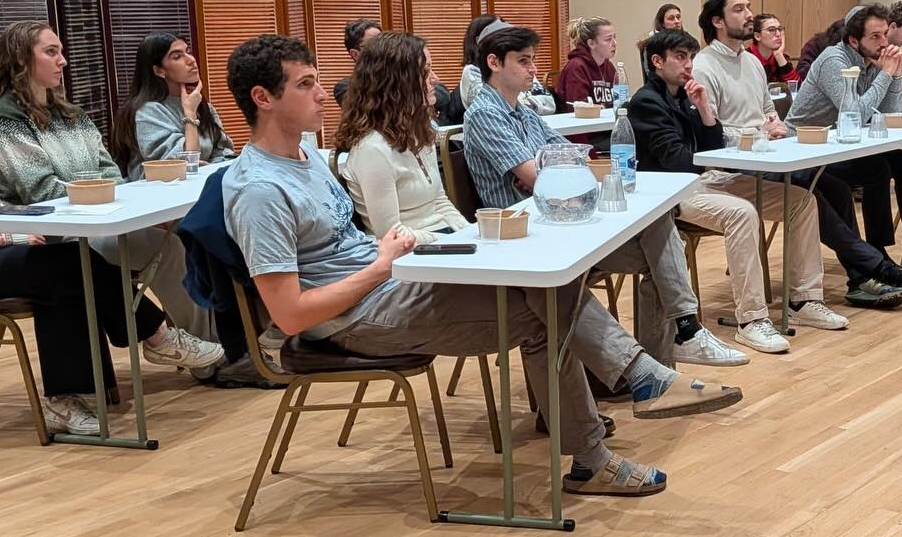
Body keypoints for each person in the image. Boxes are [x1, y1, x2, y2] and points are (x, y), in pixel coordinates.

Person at [223, 37, 737, 499]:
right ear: (263, 99)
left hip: (390, 284)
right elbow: (290, 317)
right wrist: (382, 266)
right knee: (546, 309)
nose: (321, 94)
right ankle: (623, 408)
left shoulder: (306, 159)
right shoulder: (260, 189)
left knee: (545, 285)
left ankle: (612, 426)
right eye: (305, 84)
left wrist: (394, 262)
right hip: (355, 318)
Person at [465, 24, 746, 367]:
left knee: (658, 231)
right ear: (494, 63)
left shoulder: (522, 111)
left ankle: (679, 341)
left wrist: (551, 170)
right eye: (524, 61)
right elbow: (537, 179)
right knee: (660, 255)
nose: (534, 69)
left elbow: (573, 157)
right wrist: (549, 171)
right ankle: (674, 347)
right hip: (525, 235)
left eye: (533, 60)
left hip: (561, 219)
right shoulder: (484, 113)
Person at [0, 21, 223, 373]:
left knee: (171, 247)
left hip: (95, 223)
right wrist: (95, 189)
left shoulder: (71, 113)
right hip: (51, 237)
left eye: (61, 51)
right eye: (51, 52)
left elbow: (111, 174)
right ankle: (175, 345)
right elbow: (40, 189)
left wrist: (94, 189)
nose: (63, 60)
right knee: (133, 253)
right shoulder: (4, 118)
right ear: (21, 60)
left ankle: (209, 353)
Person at [0, 109, 180, 435]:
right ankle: (155, 333)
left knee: (65, 268)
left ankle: (65, 400)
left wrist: (3, 231)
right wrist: (7, 235)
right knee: (65, 265)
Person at [629, 29, 847, 354]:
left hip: (707, 179)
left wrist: (704, 109)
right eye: (679, 57)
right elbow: (676, 161)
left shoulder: (685, 96)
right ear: (657, 61)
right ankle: (752, 320)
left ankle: (804, 299)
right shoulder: (646, 102)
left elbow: (713, 146)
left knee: (801, 201)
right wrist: (709, 148)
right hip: (671, 194)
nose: (688, 64)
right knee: (742, 213)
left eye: (690, 57)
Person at [691, 0, 902, 309]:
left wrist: (774, 126)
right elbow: (711, 132)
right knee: (811, 190)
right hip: (733, 165)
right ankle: (873, 266)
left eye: (748, 7)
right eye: (739, 9)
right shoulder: (704, 67)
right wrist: (756, 134)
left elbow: (767, 110)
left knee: (837, 188)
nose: (750, 14)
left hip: (769, 152)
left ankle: (861, 278)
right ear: (717, 21)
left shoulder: (750, 62)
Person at [791, 2, 902, 277]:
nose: (883, 42)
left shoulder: (870, 61)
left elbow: (887, 113)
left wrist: (895, 74)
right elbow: (853, 113)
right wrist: (885, 74)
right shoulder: (835, 61)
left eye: (884, 34)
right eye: (875, 37)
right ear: (854, 40)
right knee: (876, 169)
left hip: (842, 143)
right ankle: (877, 251)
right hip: (808, 148)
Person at [332, 31, 467, 243]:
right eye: (425, 72)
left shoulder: (420, 131)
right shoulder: (373, 149)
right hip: (411, 258)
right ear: (398, 83)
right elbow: (390, 233)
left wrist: (469, 234)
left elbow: (440, 202)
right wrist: (447, 241)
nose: (435, 79)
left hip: (441, 242)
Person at [111, 32, 234, 177]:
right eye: (177, 56)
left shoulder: (198, 102)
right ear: (159, 70)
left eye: (188, 52)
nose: (191, 60)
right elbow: (187, 161)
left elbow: (223, 152)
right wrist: (190, 115)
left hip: (200, 187)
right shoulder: (148, 112)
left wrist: (210, 170)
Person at [556, 17, 622, 108]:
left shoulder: (609, 66)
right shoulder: (576, 67)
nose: (615, 43)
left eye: (614, 37)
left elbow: (618, 101)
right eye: (608, 39)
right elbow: (577, 107)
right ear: (591, 43)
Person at [456, 14, 506, 117]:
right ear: (480, 40)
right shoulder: (472, 70)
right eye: (498, 32)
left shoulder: (518, 62)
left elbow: (547, 100)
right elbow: (491, 109)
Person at [331, 18, 382, 107]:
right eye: (374, 45)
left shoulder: (401, 76)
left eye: (383, 43)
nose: (381, 49)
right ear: (355, 54)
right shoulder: (345, 87)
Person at [640, 4, 684, 82]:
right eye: (671, 18)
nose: (677, 21)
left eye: (678, 17)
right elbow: (650, 73)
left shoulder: (686, 42)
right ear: (662, 23)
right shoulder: (653, 44)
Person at [750, 14, 796, 87]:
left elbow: (796, 88)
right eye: (771, 30)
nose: (778, 34)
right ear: (757, 36)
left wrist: (779, 56)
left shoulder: (782, 58)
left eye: (780, 29)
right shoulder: (745, 58)